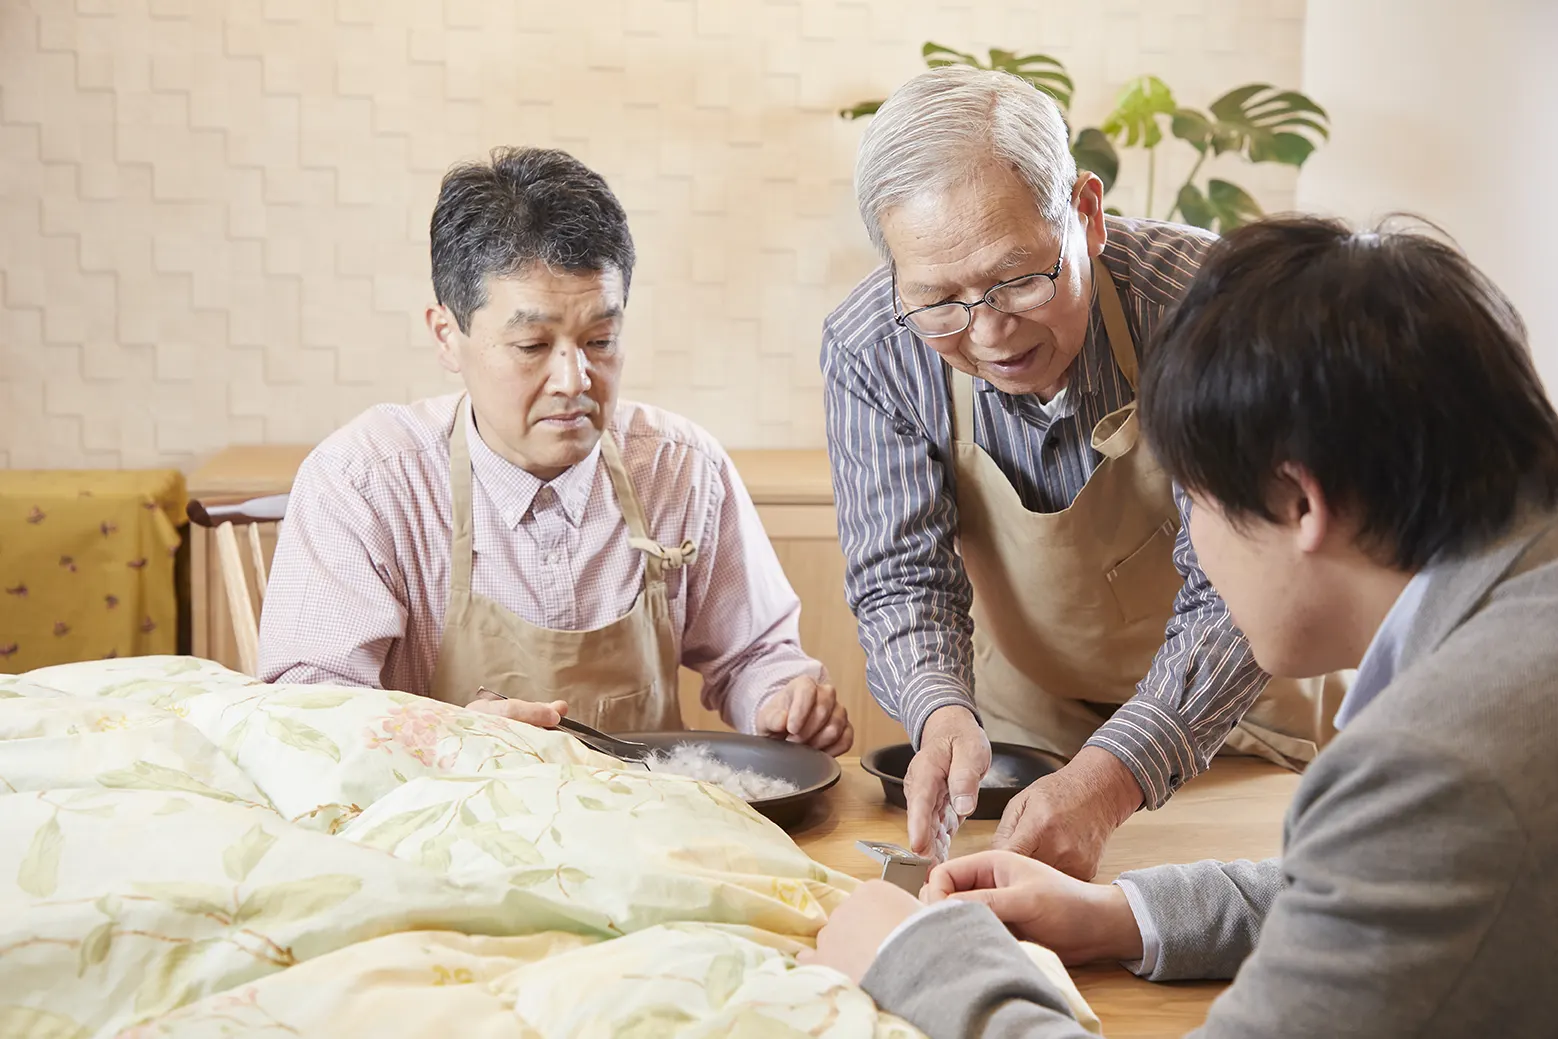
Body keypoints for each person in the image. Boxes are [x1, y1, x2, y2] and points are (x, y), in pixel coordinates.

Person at [804, 216, 1558, 1037]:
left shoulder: (1438, 761)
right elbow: (1387, 889)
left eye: (1187, 503)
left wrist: (920, 955)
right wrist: (1121, 914)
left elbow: (1407, 845)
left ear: (1301, 502)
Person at [823, 63, 1342, 870]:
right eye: (938, 300)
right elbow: (901, 576)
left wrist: (1114, 774)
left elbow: (1246, 590)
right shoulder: (874, 347)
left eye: (1018, 278)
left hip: (1234, 719)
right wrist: (937, 713)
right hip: (1021, 732)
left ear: (1087, 214)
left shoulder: (1206, 306)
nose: (989, 330)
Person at [259, 146, 852, 754]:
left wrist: (782, 699)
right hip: (434, 833)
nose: (574, 380)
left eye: (601, 339)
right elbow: (309, 714)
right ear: (447, 336)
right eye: (532, 345)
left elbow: (755, 653)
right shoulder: (366, 481)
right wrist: (452, 738)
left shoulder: (681, 468)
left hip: (644, 830)